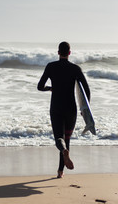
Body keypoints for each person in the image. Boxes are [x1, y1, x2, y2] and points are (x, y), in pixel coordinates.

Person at [37, 41, 90, 178]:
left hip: (56, 107)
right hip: (70, 108)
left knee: (59, 138)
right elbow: (86, 90)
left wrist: (50, 88)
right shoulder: (75, 69)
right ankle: (60, 171)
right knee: (67, 138)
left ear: (58, 52)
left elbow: (40, 86)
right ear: (70, 53)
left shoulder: (51, 66)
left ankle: (64, 152)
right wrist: (85, 109)